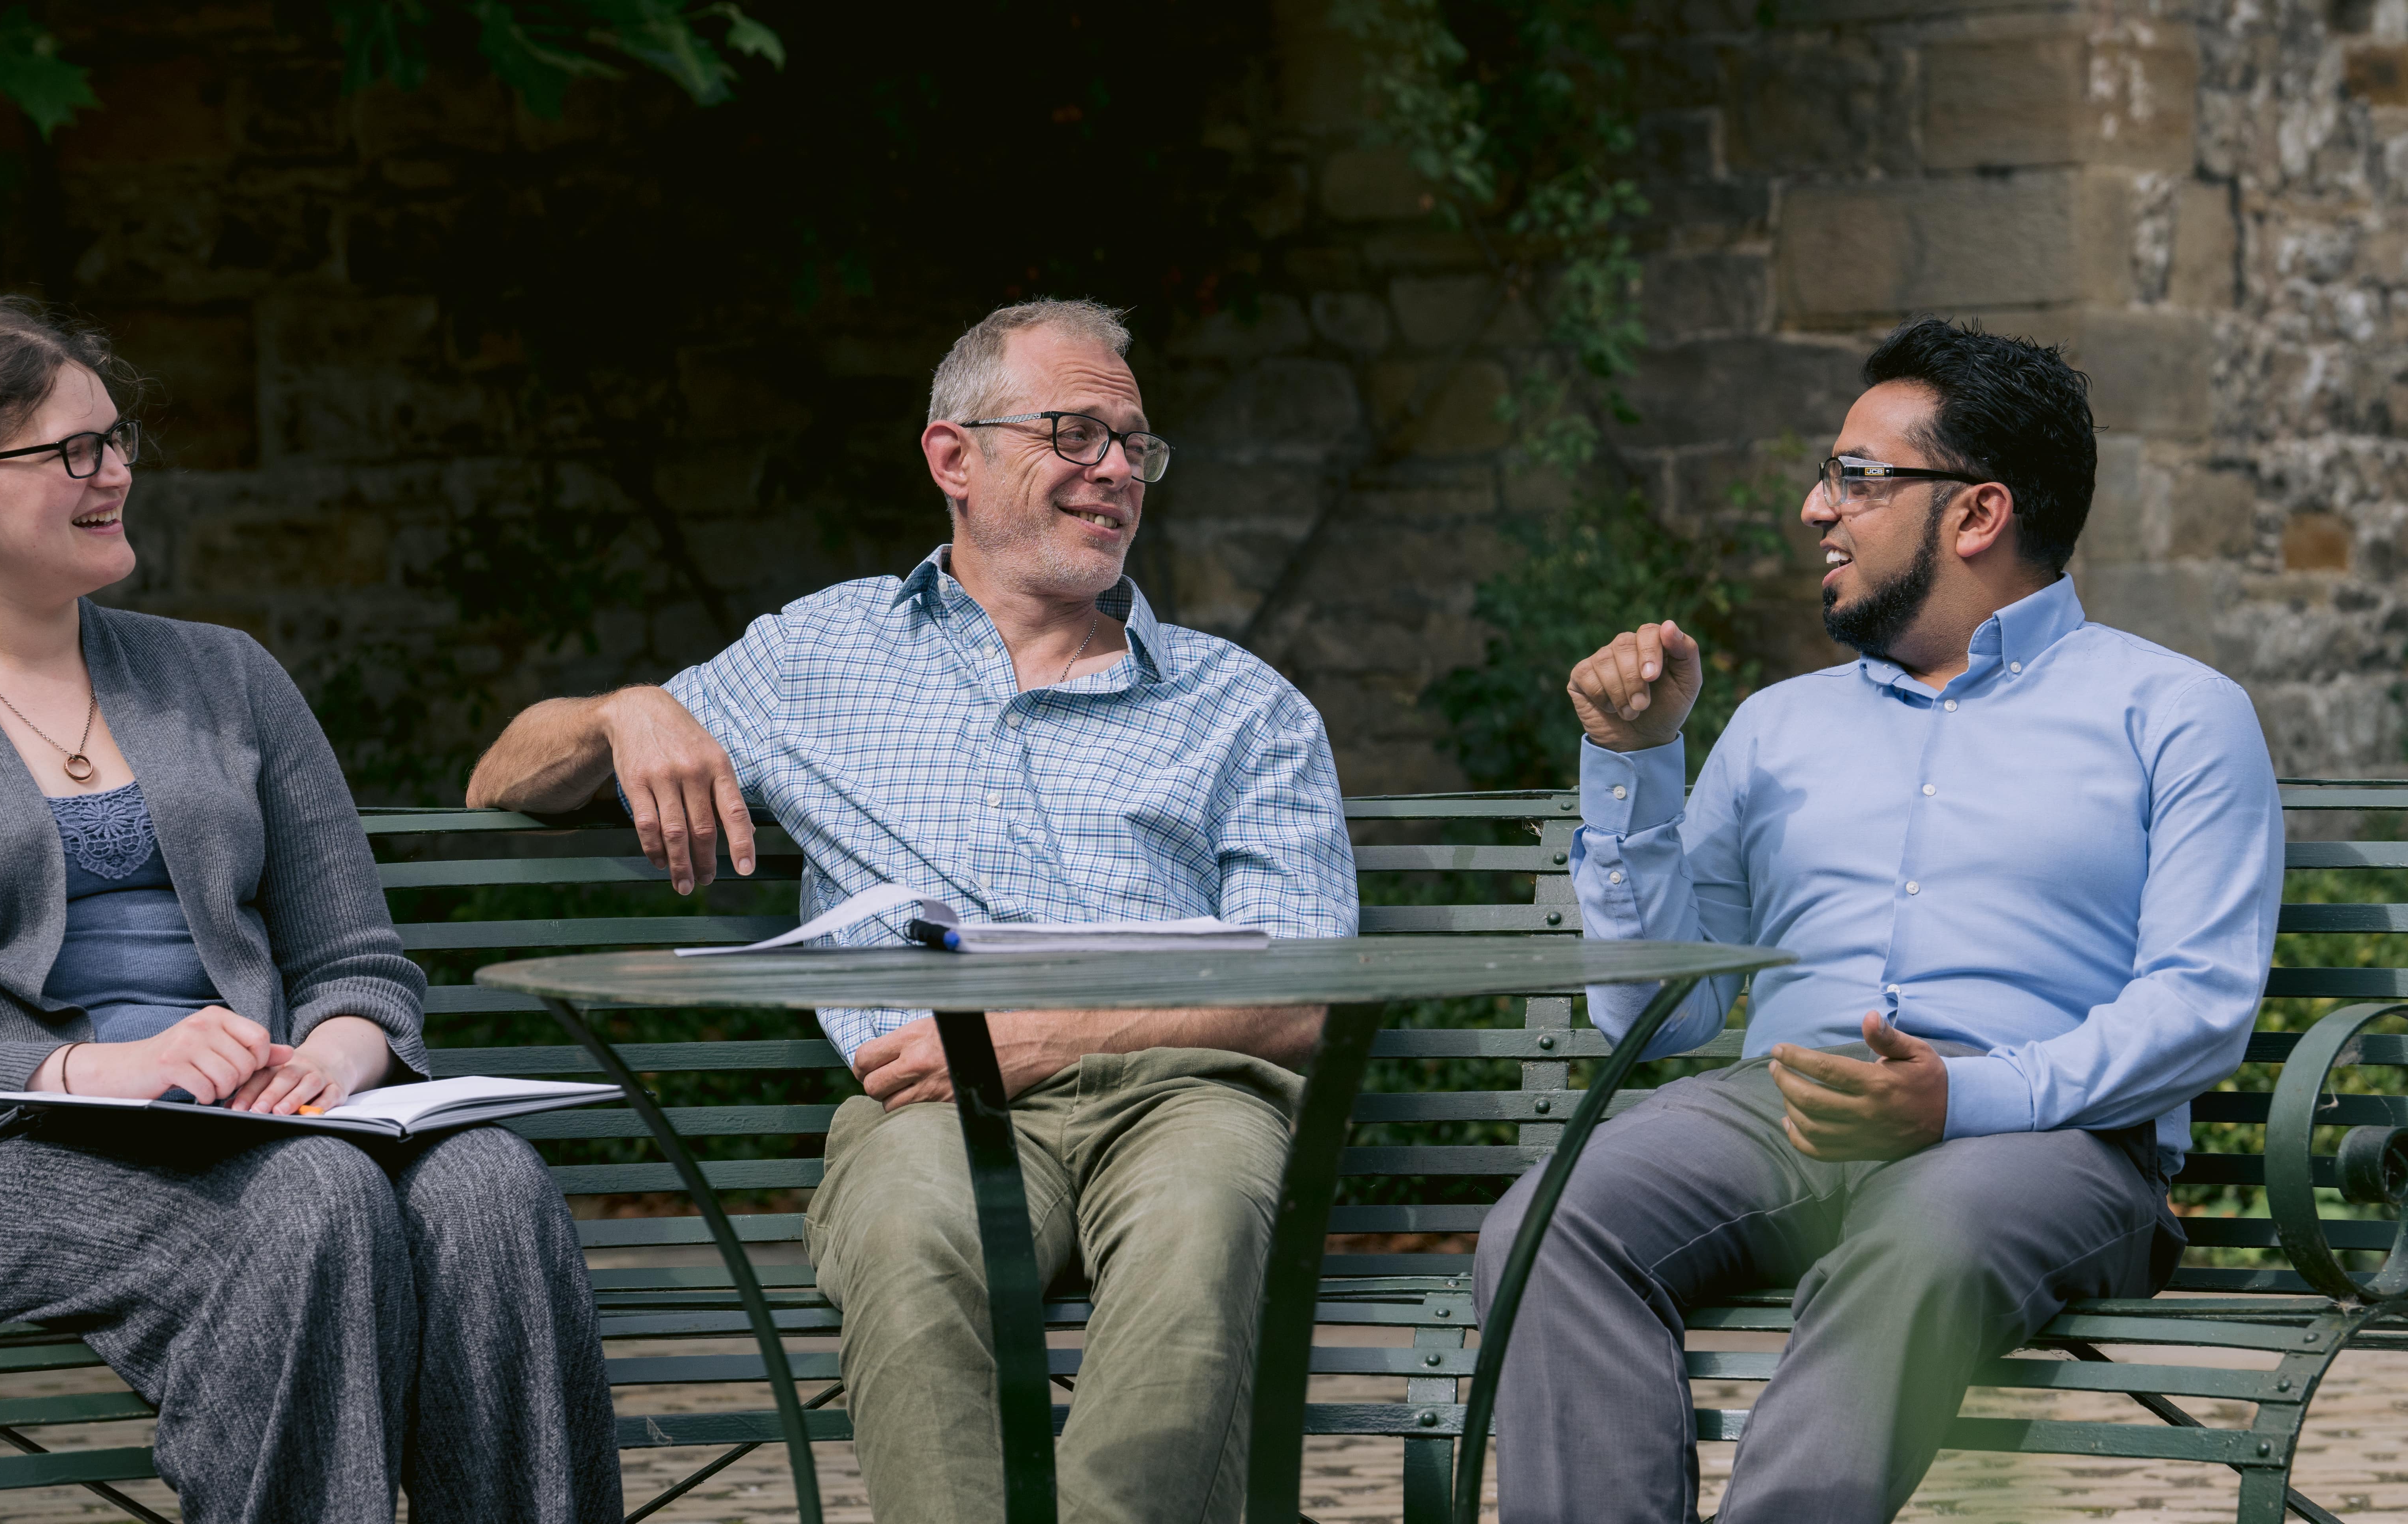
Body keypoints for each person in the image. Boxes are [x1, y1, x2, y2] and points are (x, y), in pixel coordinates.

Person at [468, 298, 1359, 1522]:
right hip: (934, 1105)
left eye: (1133, 445)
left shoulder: (1243, 706)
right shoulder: (817, 656)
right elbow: (502, 776)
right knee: (904, 1232)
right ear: (955, 456)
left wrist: (1054, 1034)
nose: (1115, 473)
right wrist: (625, 710)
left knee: (1206, 1224)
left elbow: (1305, 997)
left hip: (1190, 1087)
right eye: (1076, 433)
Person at [0, 302, 621, 1524]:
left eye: (115, 440)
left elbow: (360, 962)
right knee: (315, 1204)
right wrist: (102, 1067)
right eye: (70, 452)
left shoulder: (228, 677)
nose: (113, 472)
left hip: (269, 1134)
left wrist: (329, 1057)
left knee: (488, 1183)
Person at [1472, 317, 2283, 1522]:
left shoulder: (2178, 716)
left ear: (1976, 514)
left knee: (1927, 1236)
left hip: (2052, 1142)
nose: (1817, 507)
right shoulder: (1775, 727)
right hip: (1781, 1108)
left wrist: (1966, 1094)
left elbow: (2198, 1008)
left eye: (1856, 477)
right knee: (1545, 1222)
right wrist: (1635, 766)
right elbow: (1660, 1010)